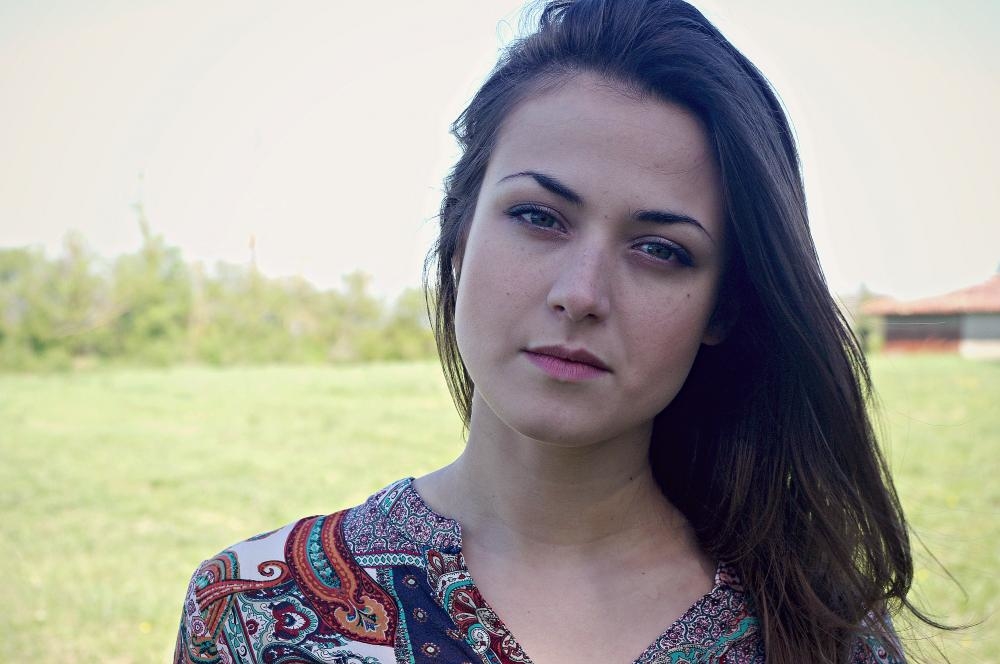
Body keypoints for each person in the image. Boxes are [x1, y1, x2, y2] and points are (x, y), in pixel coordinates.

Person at [174, 1, 940, 662]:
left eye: (660, 250)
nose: (581, 294)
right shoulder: (251, 616)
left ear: (723, 309)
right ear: (459, 234)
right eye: (539, 216)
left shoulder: (826, 636)